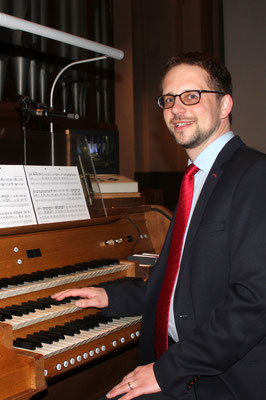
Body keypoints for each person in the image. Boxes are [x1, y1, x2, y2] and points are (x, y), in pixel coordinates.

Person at [52, 52, 266, 400]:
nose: (176, 109)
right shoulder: (195, 179)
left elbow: (255, 302)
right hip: (192, 360)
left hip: (227, 377)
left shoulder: (255, 175)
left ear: (225, 105)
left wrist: (168, 371)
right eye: (168, 100)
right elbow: (182, 284)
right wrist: (110, 296)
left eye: (191, 96)